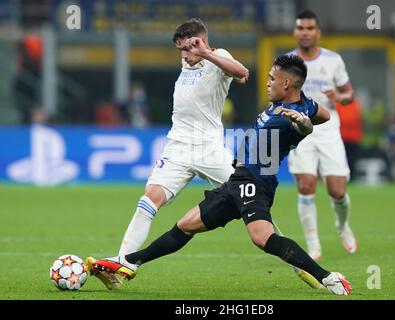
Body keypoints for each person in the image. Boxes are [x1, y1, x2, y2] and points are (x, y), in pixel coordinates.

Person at [86, 55, 351, 296]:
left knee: (261, 237)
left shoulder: (289, 116)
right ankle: (129, 262)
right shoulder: (302, 102)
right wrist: (306, 114)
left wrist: (303, 123)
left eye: (272, 79)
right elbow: (324, 115)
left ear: (287, 84)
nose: (267, 83)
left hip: (255, 183)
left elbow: (304, 128)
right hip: (238, 179)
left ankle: (327, 277)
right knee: (186, 225)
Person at [111, 18, 249, 260]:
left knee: (250, 198)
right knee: (148, 201)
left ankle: (294, 260)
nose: (185, 55)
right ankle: (121, 264)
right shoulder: (187, 62)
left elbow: (242, 74)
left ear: (203, 42)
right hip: (178, 147)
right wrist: (192, 52)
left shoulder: (217, 57)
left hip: (209, 147)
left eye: (188, 48)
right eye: (181, 50)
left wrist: (205, 53)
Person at [286, 10, 357, 260]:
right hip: (299, 129)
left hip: (327, 129)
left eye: (309, 28)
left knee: (337, 191)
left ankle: (342, 225)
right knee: (306, 186)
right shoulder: (287, 61)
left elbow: (349, 95)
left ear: (317, 32)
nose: (305, 32)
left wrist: (340, 97)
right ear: (295, 32)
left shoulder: (334, 60)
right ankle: (313, 244)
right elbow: (275, 93)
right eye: (301, 28)